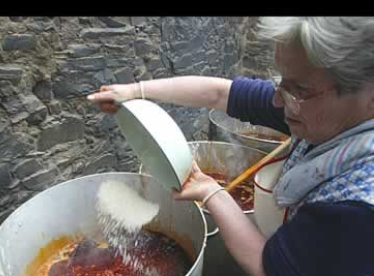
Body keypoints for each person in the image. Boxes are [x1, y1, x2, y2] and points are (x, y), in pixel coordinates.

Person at [88, 17, 374, 276]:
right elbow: (219, 93)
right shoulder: (325, 113)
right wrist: (135, 92)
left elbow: (268, 266)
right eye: (280, 82)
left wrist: (213, 192)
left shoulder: (358, 213)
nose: (277, 101)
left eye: (299, 90)